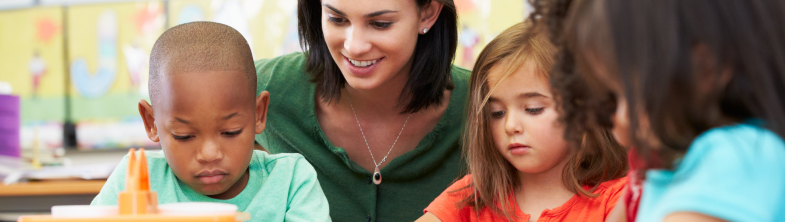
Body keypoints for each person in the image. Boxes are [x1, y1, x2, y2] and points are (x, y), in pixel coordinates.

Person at [559, 0, 785, 221]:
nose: (622, 117)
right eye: (615, 97)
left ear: (706, 69)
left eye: (634, 95)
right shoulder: (672, 169)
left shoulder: (741, 156)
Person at [91, 22, 331, 221]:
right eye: (183, 135)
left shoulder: (290, 181)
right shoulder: (135, 182)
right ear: (151, 122)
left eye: (230, 132)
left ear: (259, 114)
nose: (209, 154)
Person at [253, 0, 467, 221]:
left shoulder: (485, 105)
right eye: (337, 19)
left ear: (428, 13)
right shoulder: (265, 87)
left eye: (380, 24)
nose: (354, 46)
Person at [416, 21, 627, 222]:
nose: (510, 126)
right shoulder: (471, 196)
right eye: (496, 113)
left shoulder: (620, 201)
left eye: (533, 109)